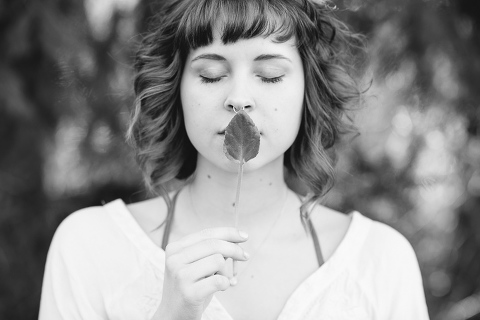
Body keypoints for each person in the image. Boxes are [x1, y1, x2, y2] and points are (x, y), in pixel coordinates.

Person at [39, 0, 430, 319]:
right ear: (176, 90)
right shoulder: (90, 247)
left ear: (308, 91)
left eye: (271, 75)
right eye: (210, 75)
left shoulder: (380, 261)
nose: (239, 97)